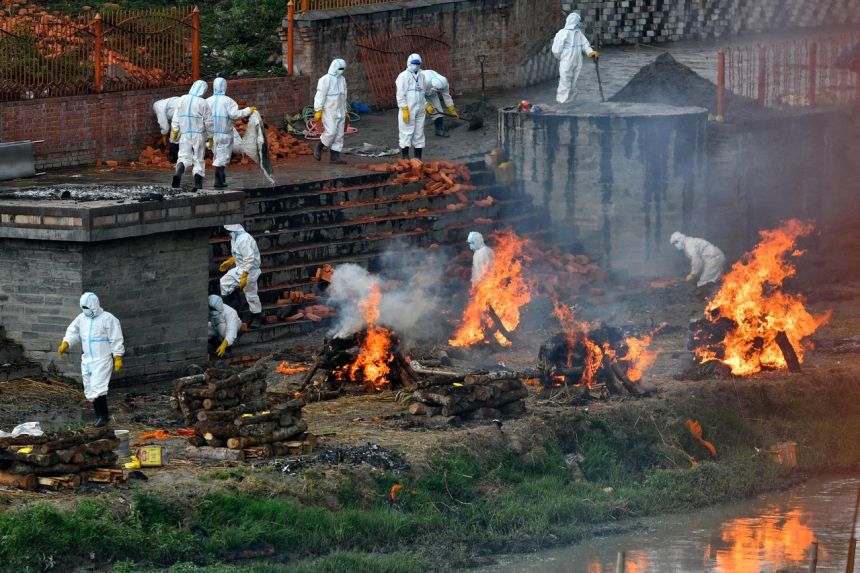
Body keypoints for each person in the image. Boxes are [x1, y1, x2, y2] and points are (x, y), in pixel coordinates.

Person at [57, 293, 124, 427]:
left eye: (87, 307)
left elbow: (116, 337)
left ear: (94, 305)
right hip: (87, 359)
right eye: (83, 307)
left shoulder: (108, 319)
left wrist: (117, 356)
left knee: (99, 388)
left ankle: (103, 416)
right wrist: (66, 342)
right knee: (90, 388)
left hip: (102, 359)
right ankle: (98, 415)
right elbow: (73, 331)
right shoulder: (82, 318)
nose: (85, 310)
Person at [206, 77, 255, 189]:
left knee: (217, 156)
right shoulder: (228, 101)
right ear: (224, 87)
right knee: (222, 158)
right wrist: (248, 110)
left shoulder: (207, 101)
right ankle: (219, 181)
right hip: (224, 134)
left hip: (212, 134)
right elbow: (234, 115)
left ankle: (221, 179)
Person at [170, 80, 214, 190]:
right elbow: (209, 122)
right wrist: (210, 136)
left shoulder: (182, 99)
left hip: (185, 134)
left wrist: (175, 130)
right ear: (203, 90)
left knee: (183, 157)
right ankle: (198, 184)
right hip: (198, 135)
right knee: (198, 159)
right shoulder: (203, 102)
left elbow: (176, 116)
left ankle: (178, 173)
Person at [219, 224, 263, 328]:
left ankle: (256, 317)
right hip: (240, 268)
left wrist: (244, 275)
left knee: (251, 295)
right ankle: (236, 309)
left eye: (228, 231)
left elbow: (250, 259)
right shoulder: (235, 238)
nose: (228, 234)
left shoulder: (244, 239)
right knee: (224, 282)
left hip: (250, 271)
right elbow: (239, 254)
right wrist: (231, 261)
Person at [551, 12, 599, 104]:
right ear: (574, 22)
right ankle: (562, 100)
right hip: (567, 60)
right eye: (578, 22)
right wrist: (562, 58)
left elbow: (585, 44)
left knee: (575, 80)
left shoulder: (578, 33)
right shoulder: (563, 33)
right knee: (565, 80)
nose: (579, 23)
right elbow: (556, 50)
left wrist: (590, 53)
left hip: (577, 60)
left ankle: (572, 99)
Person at [313, 58, 348, 165]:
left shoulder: (342, 79)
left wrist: (346, 111)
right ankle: (319, 147)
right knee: (331, 132)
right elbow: (320, 95)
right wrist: (318, 110)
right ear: (334, 67)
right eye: (339, 68)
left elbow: (344, 97)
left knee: (339, 134)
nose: (341, 71)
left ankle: (335, 157)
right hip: (329, 111)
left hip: (341, 111)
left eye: (343, 69)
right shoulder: (325, 79)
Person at [395, 53, 429, 160]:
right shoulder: (403, 76)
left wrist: (426, 104)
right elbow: (400, 94)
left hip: (420, 109)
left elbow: (422, 92)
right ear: (409, 63)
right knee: (406, 132)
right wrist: (404, 108)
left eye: (418, 64)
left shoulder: (422, 75)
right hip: (408, 109)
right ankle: (405, 157)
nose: (416, 66)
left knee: (419, 133)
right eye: (414, 63)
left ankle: (418, 157)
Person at [423, 69, 457, 138]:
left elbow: (446, 96)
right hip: (417, 94)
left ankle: (439, 130)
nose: (439, 91)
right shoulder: (423, 80)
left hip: (431, 92)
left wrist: (452, 110)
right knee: (418, 114)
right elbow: (417, 96)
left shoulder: (444, 83)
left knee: (438, 109)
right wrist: (426, 105)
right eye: (438, 90)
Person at [152, 95, 181, 162]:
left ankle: (173, 159)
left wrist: (164, 134)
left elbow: (163, 123)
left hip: (181, 114)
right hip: (187, 112)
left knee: (174, 137)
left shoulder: (159, 107)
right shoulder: (167, 103)